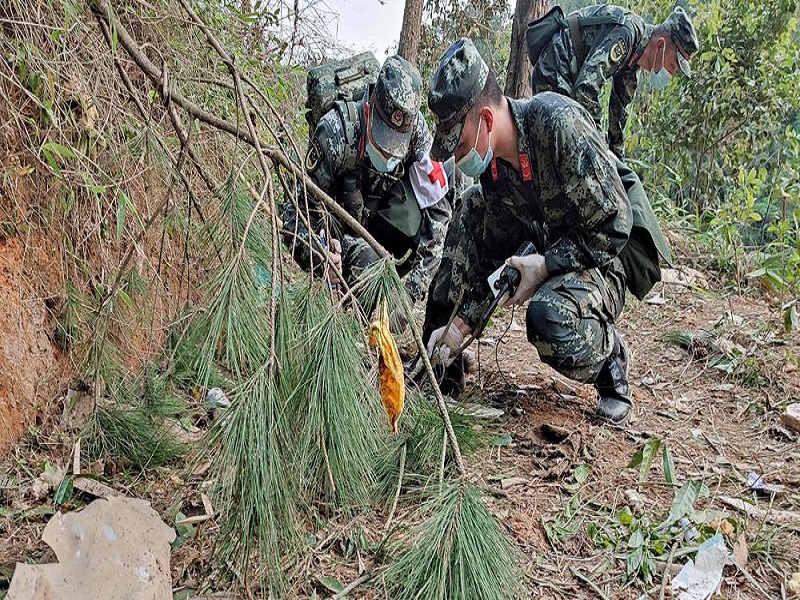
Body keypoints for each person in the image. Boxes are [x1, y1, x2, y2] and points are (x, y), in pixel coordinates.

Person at [422, 38, 670, 425]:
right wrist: (459, 328)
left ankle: (610, 361)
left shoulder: (557, 124)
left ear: (487, 121)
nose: (456, 155)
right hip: (553, 243)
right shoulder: (494, 170)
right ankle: (438, 361)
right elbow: (492, 254)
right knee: (471, 207)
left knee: (547, 317)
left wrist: (546, 265)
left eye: (460, 143)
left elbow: (613, 227)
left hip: (609, 254)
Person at [282, 55, 452, 325]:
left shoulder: (419, 134)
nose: (388, 153)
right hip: (340, 229)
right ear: (369, 110)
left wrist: (410, 294)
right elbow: (293, 213)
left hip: (383, 222)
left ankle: (381, 302)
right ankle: (346, 327)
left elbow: (440, 219)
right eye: (383, 140)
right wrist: (319, 252)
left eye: (396, 146)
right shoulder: (335, 132)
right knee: (365, 261)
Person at [527, 5, 699, 157]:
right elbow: (586, 89)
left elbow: (618, 113)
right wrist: (600, 147)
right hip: (555, 69)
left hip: (570, 79)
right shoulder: (628, 33)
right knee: (568, 149)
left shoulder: (634, 59)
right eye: (674, 64)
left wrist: (618, 162)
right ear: (661, 45)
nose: (672, 71)